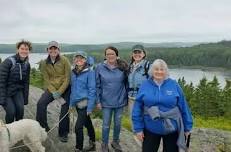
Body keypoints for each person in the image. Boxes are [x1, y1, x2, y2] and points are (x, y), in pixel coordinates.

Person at [132, 59, 193, 152]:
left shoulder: (174, 85)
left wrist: (187, 127)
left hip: (172, 128)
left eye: (162, 69)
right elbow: (137, 108)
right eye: (156, 69)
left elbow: (183, 106)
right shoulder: (145, 85)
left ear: (166, 71)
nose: (159, 72)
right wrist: (138, 128)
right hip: (150, 127)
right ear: (152, 71)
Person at [36, 41, 71, 142]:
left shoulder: (65, 60)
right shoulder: (44, 63)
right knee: (40, 103)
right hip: (52, 88)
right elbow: (46, 79)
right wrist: (53, 91)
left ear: (58, 50)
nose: (53, 50)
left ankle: (63, 133)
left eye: (55, 48)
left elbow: (67, 78)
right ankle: (42, 127)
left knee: (65, 109)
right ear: (47, 50)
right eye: (50, 49)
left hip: (65, 88)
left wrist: (59, 92)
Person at [95, 46, 128, 152]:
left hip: (120, 100)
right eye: (108, 54)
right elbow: (97, 85)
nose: (110, 56)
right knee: (105, 125)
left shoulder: (123, 66)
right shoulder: (100, 67)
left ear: (116, 55)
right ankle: (104, 144)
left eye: (112, 54)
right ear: (105, 56)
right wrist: (98, 100)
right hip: (105, 101)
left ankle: (115, 142)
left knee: (118, 123)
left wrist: (127, 98)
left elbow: (127, 83)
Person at [69, 51, 96, 152]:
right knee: (87, 123)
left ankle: (78, 148)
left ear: (85, 60)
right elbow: (73, 90)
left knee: (78, 127)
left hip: (85, 103)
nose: (79, 60)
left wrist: (90, 107)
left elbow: (92, 90)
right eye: (77, 58)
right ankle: (93, 142)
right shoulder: (73, 72)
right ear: (74, 60)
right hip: (77, 104)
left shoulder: (90, 72)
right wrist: (71, 104)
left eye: (81, 58)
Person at [0, 40, 31, 123]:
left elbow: (26, 82)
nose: (24, 51)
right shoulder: (9, 62)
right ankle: (9, 132)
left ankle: (18, 130)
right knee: (11, 112)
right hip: (6, 91)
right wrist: (1, 99)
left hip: (17, 91)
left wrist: (25, 98)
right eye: (22, 48)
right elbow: (1, 81)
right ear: (18, 50)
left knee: (20, 110)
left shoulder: (27, 64)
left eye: (26, 49)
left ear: (29, 51)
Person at [128, 44, 150, 124]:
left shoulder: (148, 66)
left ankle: (145, 136)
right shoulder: (130, 66)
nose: (137, 54)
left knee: (144, 120)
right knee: (133, 119)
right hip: (131, 98)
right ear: (132, 54)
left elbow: (154, 82)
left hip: (143, 99)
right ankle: (136, 136)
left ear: (144, 54)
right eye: (135, 52)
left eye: (139, 52)